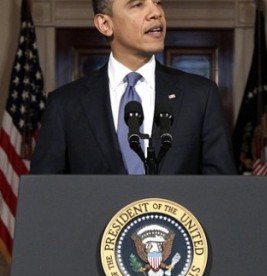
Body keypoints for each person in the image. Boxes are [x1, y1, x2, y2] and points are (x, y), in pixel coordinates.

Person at [30, 0, 237, 175]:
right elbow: (47, 198)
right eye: (137, 4)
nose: (156, 13)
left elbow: (222, 193)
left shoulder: (201, 96)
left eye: (157, 2)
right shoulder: (64, 104)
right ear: (105, 24)